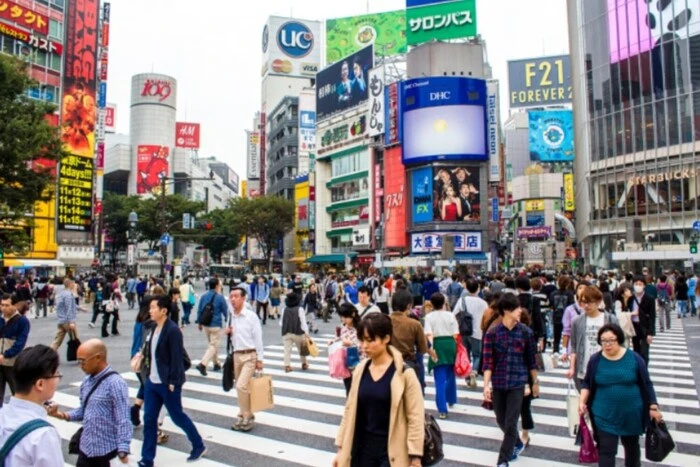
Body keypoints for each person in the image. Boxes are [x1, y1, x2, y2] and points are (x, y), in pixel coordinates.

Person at [333, 313, 424, 467]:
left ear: (386, 339)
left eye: (370, 340)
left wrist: (415, 456)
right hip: (363, 448)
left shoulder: (404, 373)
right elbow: (349, 410)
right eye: (362, 340)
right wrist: (341, 449)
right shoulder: (361, 369)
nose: (364, 346)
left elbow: (415, 416)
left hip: (393, 449)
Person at [579, 324, 663, 467]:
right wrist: (582, 402)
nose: (607, 344)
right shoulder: (595, 360)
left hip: (631, 415)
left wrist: (653, 406)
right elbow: (587, 383)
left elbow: (647, 383)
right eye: (604, 340)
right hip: (603, 414)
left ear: (619, 339)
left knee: (632, 449)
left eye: (611, 340)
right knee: (606, 450)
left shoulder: (634, 358)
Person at [139, 296, 206, 466]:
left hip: (167, 383)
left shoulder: (173, 330)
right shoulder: (152, 327)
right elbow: (149, 352)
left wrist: (174, 382)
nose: (150, 310)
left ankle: (198, 445)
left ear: (164, 310)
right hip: (152, 382)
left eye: (154, 307)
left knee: (177, 416)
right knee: (149, 420)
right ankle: (147, 459)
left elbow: (177, 359)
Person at [48, 339, 132, 466]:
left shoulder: (115, 383)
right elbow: (84, 410)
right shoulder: (87, 381)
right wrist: (60, 414)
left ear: (98, 357)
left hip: (106, 452)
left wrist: (123, 449)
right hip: (85, 449)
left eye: (83, 361)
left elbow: (123, 418)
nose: (80, 365)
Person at [482, 293, 539, 467]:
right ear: (507, 311)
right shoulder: (492, 333)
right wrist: (486, 385)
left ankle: (503, 460)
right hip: (498, 381)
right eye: (516, 308)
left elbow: (531, 360)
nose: (520, 310)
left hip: (518, 381)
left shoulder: (526, 332)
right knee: (500, 419)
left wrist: (534, 382)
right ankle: (517, 443)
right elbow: (488, 362)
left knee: (511, 421)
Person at [0, 345, 63, 467]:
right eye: (56, 374)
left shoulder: (2, 415)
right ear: (40, 384)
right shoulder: (43, 434)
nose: (57, 379)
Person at [567, 286, 619, 391]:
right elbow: (574, 346)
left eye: (590, 302)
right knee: (585, 403)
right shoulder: (577, 321)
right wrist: (572, 368)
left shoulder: (610, 319)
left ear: (598, 302)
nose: (586, 306)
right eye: (583, 302)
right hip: (583, 368)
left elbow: (619, 344)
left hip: (605, 367)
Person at [227, 286, 264, 432]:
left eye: (236, 296)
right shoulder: (231, 315)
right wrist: (228, 332)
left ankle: (246, 415)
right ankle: (243, 413)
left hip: (250, 355)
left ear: (243, 298)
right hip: (237, 354)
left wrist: (260, 359)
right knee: (242, 387)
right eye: (231, 296)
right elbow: (230, 333)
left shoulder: (250, 316)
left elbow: (258, 338)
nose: (233, 299)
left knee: (241, 385)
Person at [425, 293, 459, 419]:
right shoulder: (450, 315)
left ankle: (442, 409)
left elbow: (428, 334)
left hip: (438, 344)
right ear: (444, 302)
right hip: (450, 343)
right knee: (451, 373)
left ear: (432, 304)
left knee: (439, 379)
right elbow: (456, 333)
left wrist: (430, 348)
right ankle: (451, 398)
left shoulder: (429, 317)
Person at [389, 289, 428, 393]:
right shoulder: (415, 324)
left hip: (388, 365)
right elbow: (423, 348)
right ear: (408, 306)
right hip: (408, 364)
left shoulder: (384, 320)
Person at [452, 279, 488, 389]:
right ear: (478, 289)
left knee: (466, 355)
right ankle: (474, 371)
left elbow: (454, 314)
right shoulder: (483, 303)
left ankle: (468, 377)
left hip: (464, 331)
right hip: (478, 332)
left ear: (466, 288)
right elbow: (486, 317)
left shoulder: (462, 300)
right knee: (477, 355)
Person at [0, 294, 30, 407]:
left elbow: (20, 343)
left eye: (7, 305)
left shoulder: (22, 321)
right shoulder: (0, 319)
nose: (3, 308)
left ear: (14, 306)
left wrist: (6, 355)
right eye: (2, 305)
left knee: (17, 392)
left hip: (13, 363)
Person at [195, 278, 228, 376]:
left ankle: (216, 363)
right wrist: (228, 321)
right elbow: (225, 311)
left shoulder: (204, 296)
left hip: (206, 324)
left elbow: (200, 310)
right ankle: (203, 364)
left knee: (212, 345)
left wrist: (199, 322)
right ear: (217, 286)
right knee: (213, 345)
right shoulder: (220, 297)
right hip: (216, 324)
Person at [335, 304, 363, 395]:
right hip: (346, 364)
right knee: (349, 390)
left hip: (359, 364)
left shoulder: (361, 328)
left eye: (346, 317)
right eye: (342, 317)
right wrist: (334, 342)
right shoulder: (342, 327)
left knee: (358, 391)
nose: (344, 319)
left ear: (353, 314)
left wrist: (352, 344)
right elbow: (339, 339)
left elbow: (366, 346)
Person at [280, 293, 309, 373]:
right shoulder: (300, 309)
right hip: (298, 332)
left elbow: (281, 322)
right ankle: (304, 363)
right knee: (301, 349)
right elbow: (303, 323)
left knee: (287, 349)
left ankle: (287, 365)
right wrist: (306, 333)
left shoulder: (284, 309)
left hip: (286, 332)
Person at [631, 276, 656, 365]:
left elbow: (652, 316)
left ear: (644, 285)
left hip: (645, 327)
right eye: (636, 284)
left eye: (640, 284)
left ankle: (644, 371)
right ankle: (638, 371)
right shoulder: (631, 298)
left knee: (644, 352)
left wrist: (650, 333)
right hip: (634, 326)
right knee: (636, 351)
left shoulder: (649, 298)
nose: (638, 286)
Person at [50, 278, 79, 352]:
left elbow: (66, 305)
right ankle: (81, 355)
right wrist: (71, 321)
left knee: (58, 340)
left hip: (61, 320)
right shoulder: (68, 295)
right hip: (67, 321)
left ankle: (49, 353)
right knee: (76, 339)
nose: (74, 285)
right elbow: (68, 308)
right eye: (73, 283)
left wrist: (81, 308)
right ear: (69, 284)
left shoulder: (61, 294)